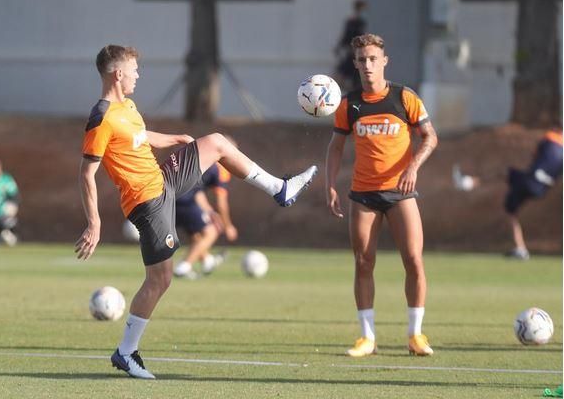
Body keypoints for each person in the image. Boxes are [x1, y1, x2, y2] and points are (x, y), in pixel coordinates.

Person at [75, 45, 317, 379]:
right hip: (147, 202)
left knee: (217, 142)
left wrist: (174, 138)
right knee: (160, 279)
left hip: (161, 180)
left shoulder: (127, 106)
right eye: (133, 69)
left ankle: (280, 188)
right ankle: (126, 352)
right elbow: (87, 173)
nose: (137, 75)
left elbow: (140, 136)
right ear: (118, 74)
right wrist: (94, 224)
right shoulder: (101, 117)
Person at [325, 34, 438, 358]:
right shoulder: (349, 104)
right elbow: (335, 147)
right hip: (363, 195)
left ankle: (415, 334)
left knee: (414, 260)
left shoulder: (405, 98)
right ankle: (367, 337)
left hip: (401, 193)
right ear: (356, 63)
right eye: (362, 60)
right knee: (363, 262)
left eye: (373, 58)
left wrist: (413, 167)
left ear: (384, 60)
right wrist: (330, 184)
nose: (368, 65)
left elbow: (430, 137)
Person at [504, 125, 563, 260]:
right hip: (543, 188)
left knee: (510, 208)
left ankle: (520, 248)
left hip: (530, 181)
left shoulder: (549, 137)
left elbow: (535, 156)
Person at [173, 160, 238, 279]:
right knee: (211, 231)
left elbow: (198, 192)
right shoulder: (220, 169)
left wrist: (210, 212)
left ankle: (207, 260)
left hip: (170, 198)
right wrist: (228, 226)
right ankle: (183, 266)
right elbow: (221, 202)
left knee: (196, 235)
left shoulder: (203, 160)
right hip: (185, 201)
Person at [334, 0, 367, 92]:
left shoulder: (363, 23)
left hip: (358, 56)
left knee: (357, 81)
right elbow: (345, 37)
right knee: (340, 79)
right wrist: (338, 47)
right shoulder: (352, 22)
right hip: (352, 56)